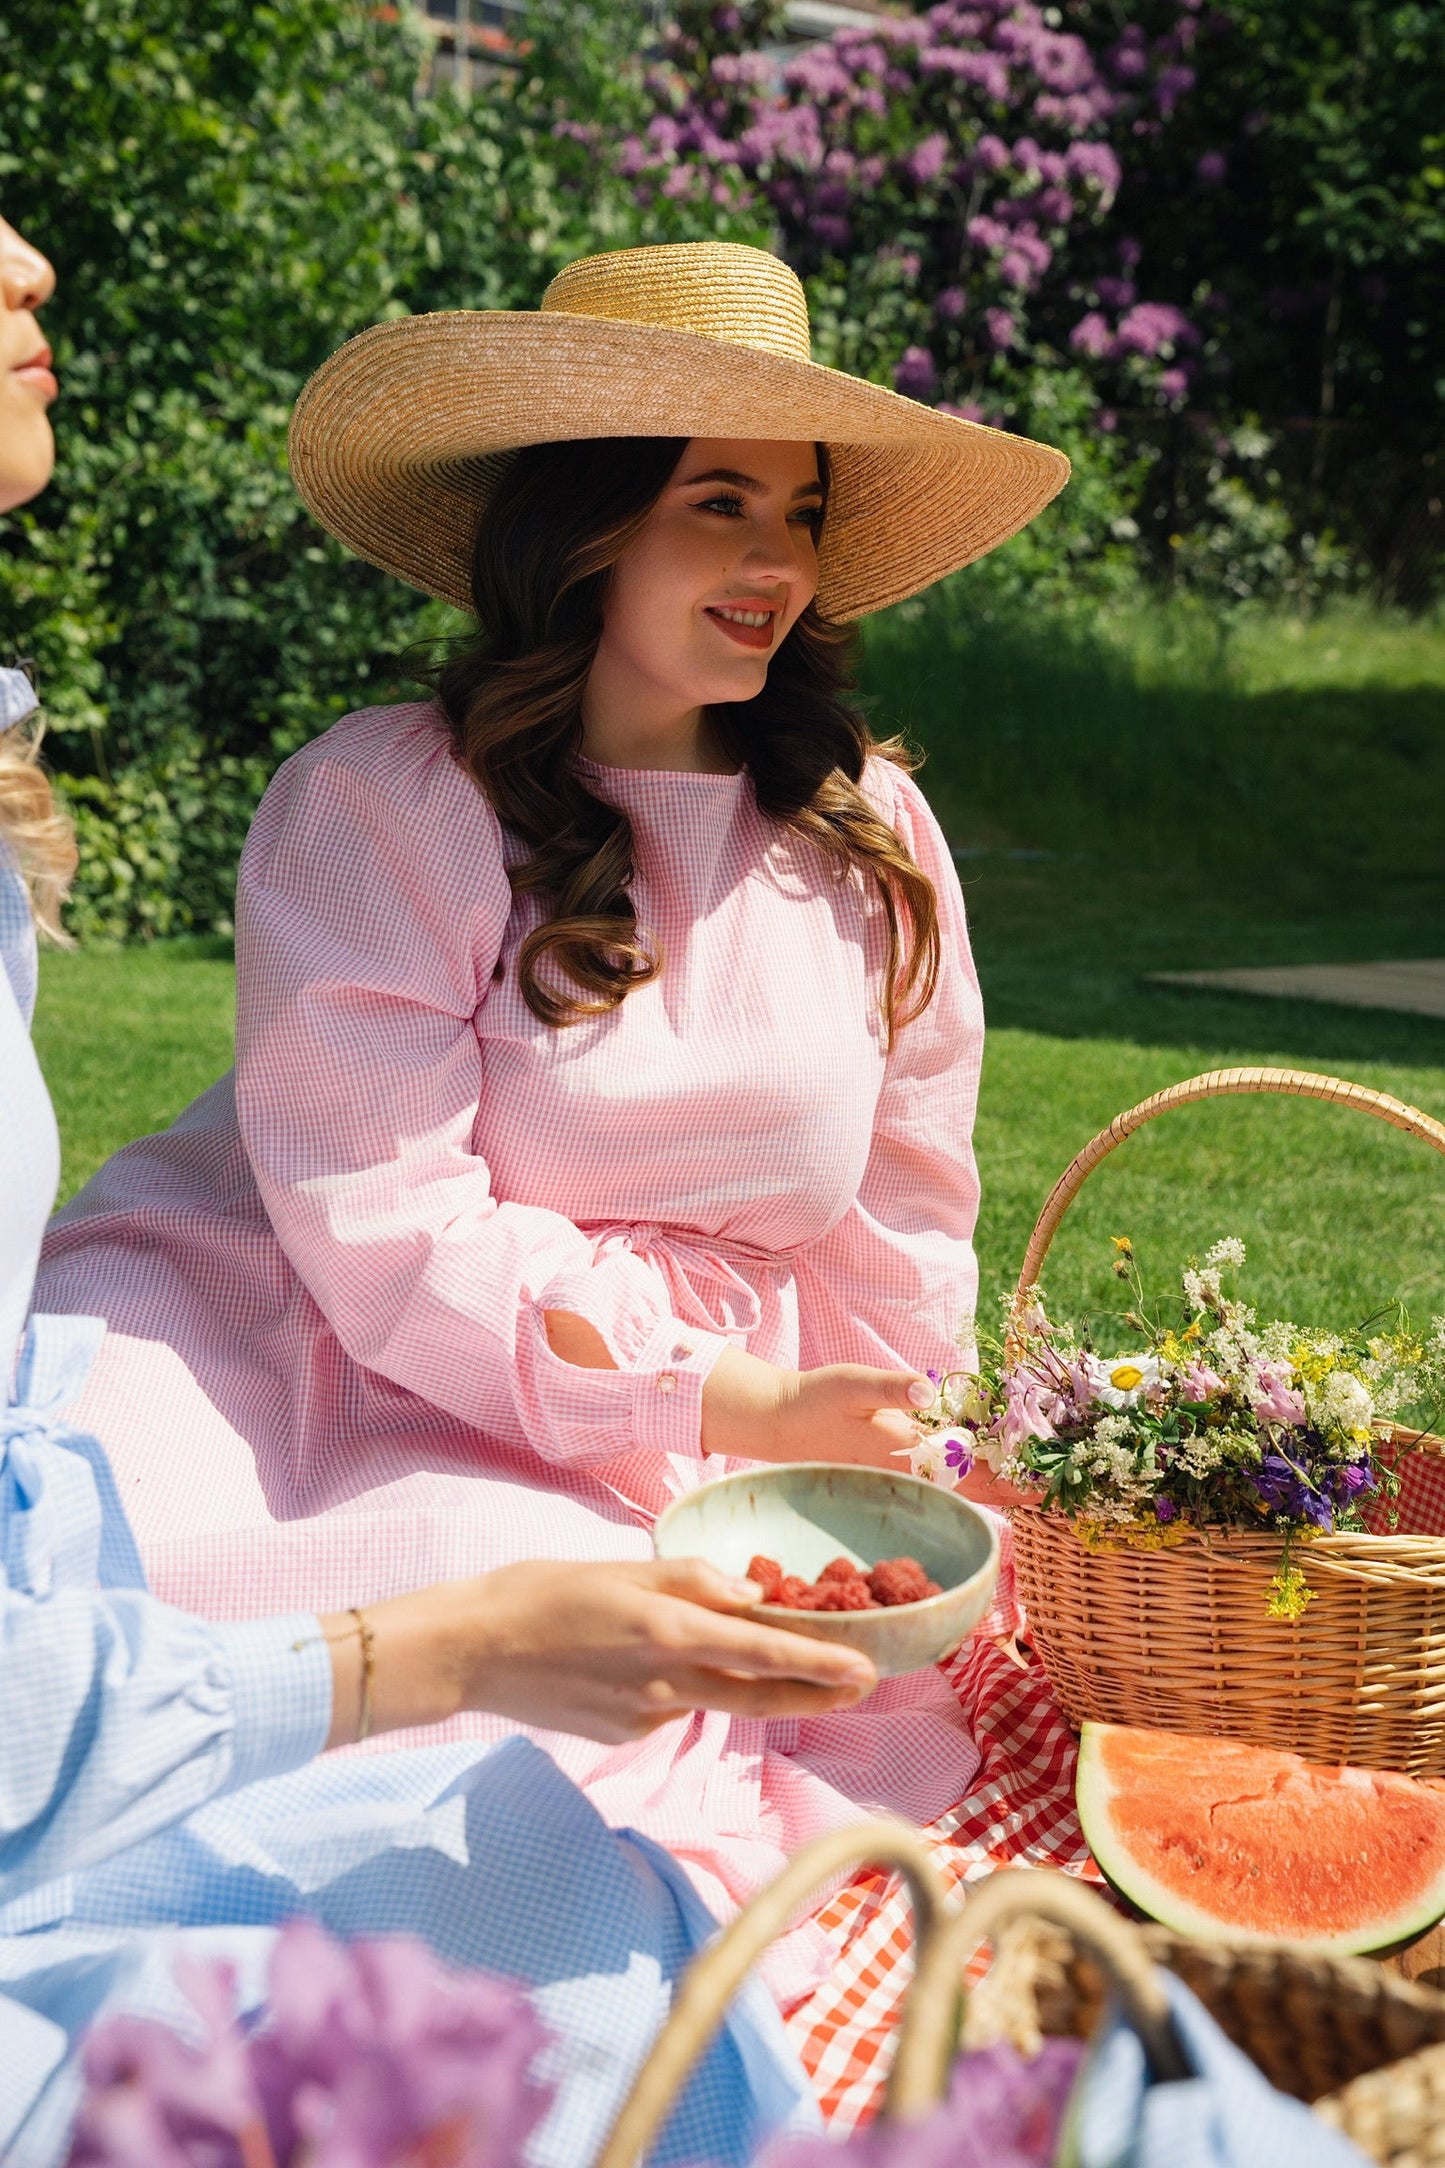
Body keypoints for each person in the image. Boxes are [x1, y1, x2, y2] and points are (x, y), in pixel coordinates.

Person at [37, 242, 1067, 1933]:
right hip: (306, 1341)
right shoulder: (389, 802)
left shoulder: (870, 837)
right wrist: (712, 1398)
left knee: (596, 1698)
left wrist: (902, 1452)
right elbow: (384, 1229)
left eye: (800, 515)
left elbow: (903, 1207)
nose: (773, 565)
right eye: (716, 503)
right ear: (581, 530)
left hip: (717, 1415)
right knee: (173, 1624)